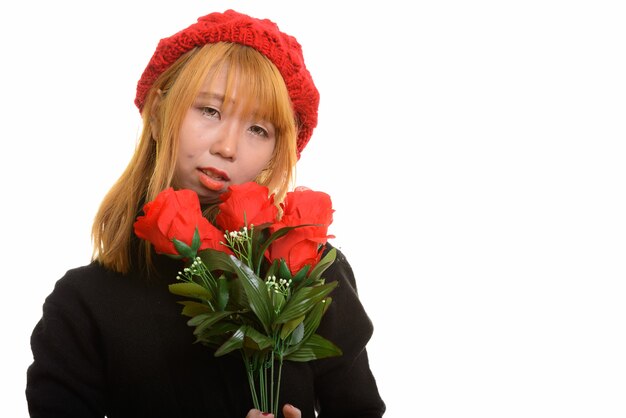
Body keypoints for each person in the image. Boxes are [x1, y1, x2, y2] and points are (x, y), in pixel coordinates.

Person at [26, 9, 385, 418]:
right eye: (210, 111)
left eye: (258, 130)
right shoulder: (83, 305)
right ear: (160, 113)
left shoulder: (309, 270)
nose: (228, 147)